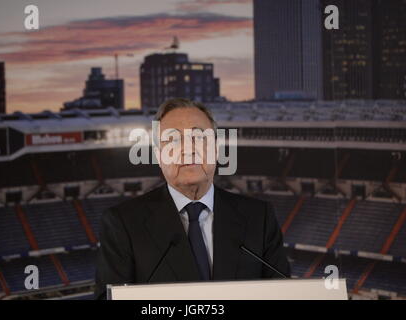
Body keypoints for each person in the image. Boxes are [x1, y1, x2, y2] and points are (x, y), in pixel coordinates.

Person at [95, 98, 290, 299]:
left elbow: (284, 294)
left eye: (199, 137)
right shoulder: (123, 223)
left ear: (216, 149)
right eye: (173, 140)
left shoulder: (260, 217)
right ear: (158, 156)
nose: (188, 149)